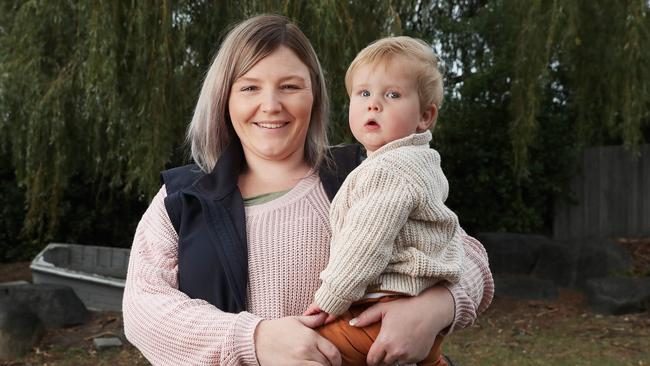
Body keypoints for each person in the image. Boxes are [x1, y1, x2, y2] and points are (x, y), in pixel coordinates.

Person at [123, 14, 494, 366]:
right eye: (250, 87)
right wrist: (253, 339)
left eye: (290, 86)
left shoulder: (367, 174)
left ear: (314, 95)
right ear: (225, 98)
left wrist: (437, 308)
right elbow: (143, 309)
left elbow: (467, 257)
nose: (271, 106)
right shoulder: (183, 198)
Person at [304, 36, 464, 366]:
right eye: (364, 93)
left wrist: (331, 298)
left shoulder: (389, 170)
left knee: (311, 352)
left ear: (425, 116)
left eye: (392, 95)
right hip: (416, 311)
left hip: (380, 313)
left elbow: (366, 244)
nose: (373, 104)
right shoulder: (423, 162)